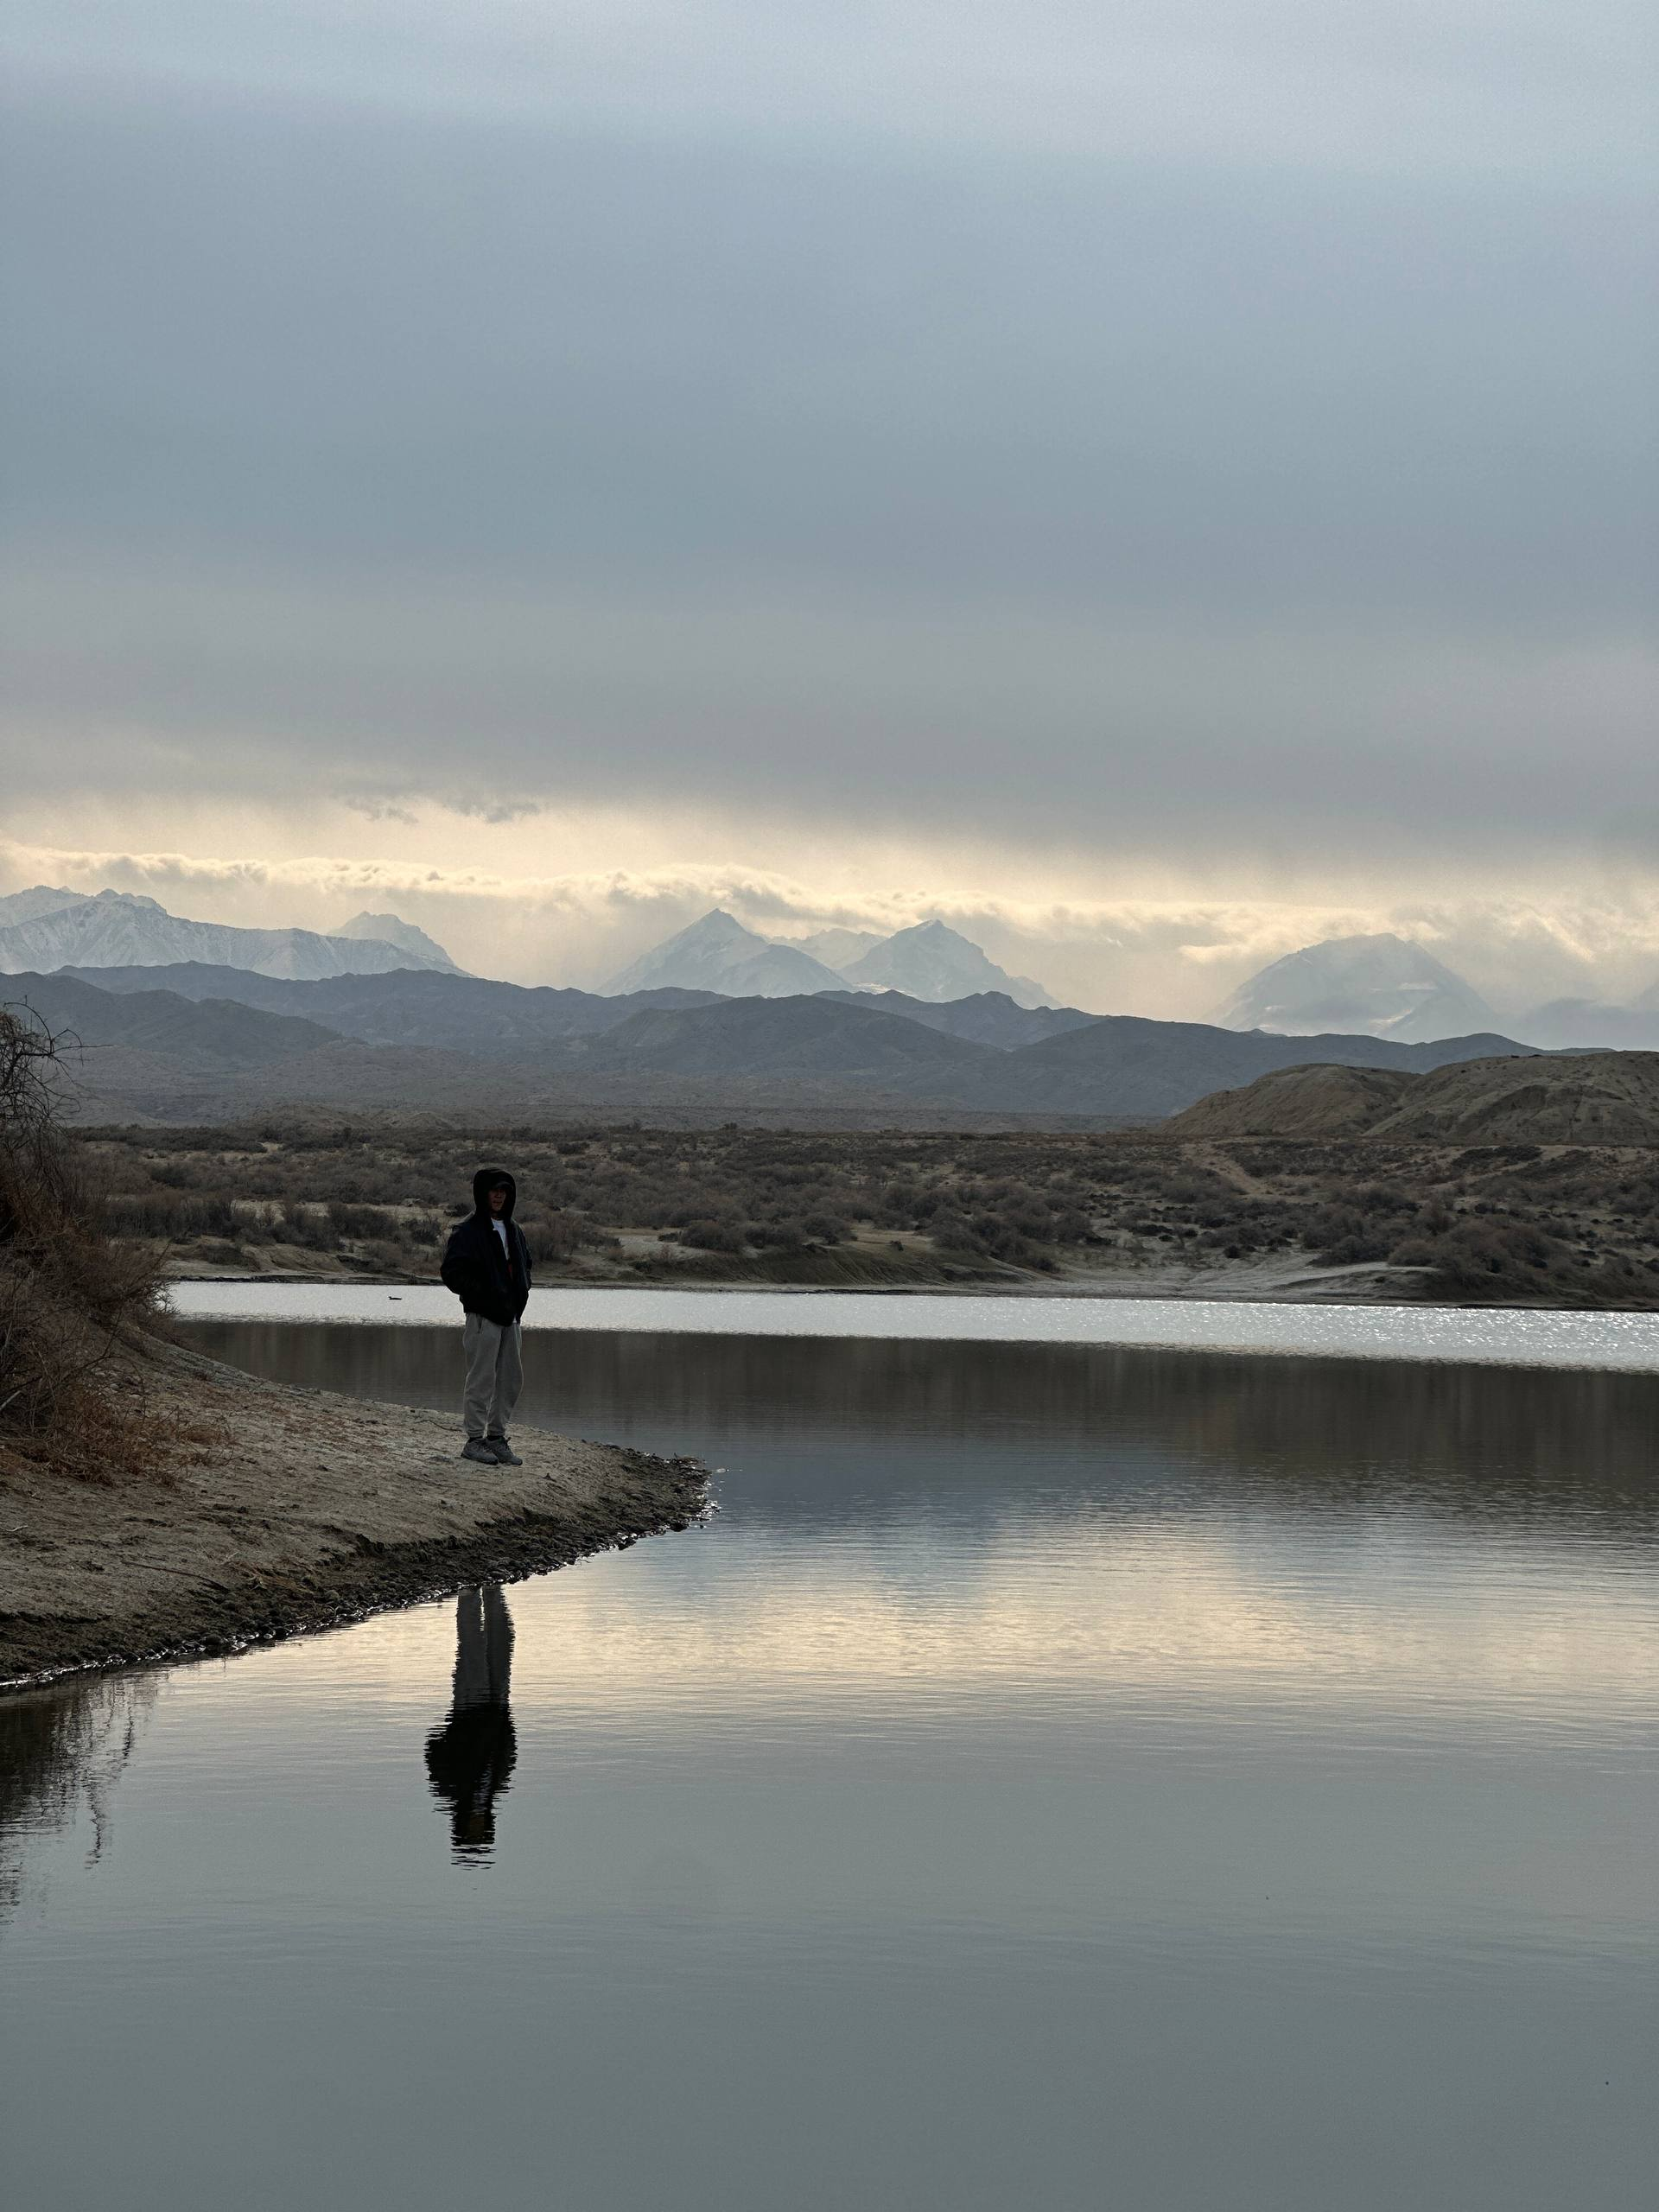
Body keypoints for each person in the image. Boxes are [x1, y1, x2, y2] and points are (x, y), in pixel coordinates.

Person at [439, 1167, 531, 1465]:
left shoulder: (514, 1229)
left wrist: (518, 1297)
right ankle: (474, 1440)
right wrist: (482, 1296)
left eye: (504, 1190)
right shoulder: (467, 1230)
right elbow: (452, 1273)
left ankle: (496, 1438)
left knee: (511, 1379)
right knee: (480, 1379)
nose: (499, 1195)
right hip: (482, 1317)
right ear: (483, 1193)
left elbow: (525, 1267)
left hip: (511, 1317)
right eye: (494, 1190)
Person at [423, 1584, 517, 1859]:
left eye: (473, 1831)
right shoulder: (494, 1789)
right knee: (500, 1641)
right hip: (495, 1708)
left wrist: (457, 1731)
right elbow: (506, 1752)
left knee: (474, 1647)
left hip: (471, 1709)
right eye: (479, 1831)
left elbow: (432, 1751)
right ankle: (487, 1590)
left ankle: (470, 1592)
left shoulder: (450, 1789)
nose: (477, 1825)